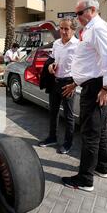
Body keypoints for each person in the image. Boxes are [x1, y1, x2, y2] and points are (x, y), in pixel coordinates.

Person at [61, 0, 107, 192]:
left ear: (92, 10)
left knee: (90, 133)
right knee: (100, 130)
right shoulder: (90, 29)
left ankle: (85, 179)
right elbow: (88, 63)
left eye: (79, 13)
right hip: (92, 84)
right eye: (75, 13)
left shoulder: (98, 28)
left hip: (97, 87)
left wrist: (106, 88)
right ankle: (101, 168)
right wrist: (75, 83)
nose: (76, 17)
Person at [38, 17, 79, 155]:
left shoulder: (78, 45)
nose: (63, 31)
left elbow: (82, 67)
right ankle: (52, 137)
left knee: (68, 116)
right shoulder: (56, 44)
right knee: (53, 112)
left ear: (73, 30)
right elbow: (53, 59)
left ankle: (68, 143)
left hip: (68, 83)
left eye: (66, 28)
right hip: (55, 81)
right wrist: (50, 66)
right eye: (61, 28)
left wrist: (74, 84)